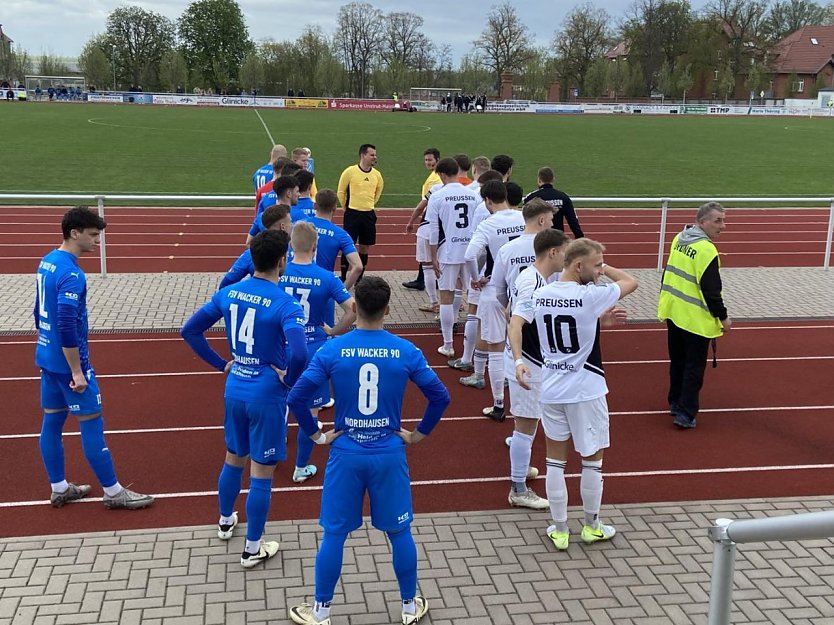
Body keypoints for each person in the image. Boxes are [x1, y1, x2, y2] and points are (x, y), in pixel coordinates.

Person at [287, 276, 450, 625]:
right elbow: (440, 397)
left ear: (355, 307)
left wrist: (317, 436)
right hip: (389, 452)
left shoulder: (332, 350)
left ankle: (321, 612)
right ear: (388, 310)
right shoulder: (406, 350)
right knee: (400, 532)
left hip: (346, 452)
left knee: (334, 534)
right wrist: (419, 435)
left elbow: (297, 397)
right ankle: (408, 607)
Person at [181, 229, 308, 568]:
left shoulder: (229, 293)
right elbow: (299, 352)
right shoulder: (285, 303)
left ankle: (225, 521)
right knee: (262, 472)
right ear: (283, 261)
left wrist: (222, 364)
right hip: (267, 394)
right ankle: (252, 548)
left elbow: (189, 330)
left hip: (235, 386)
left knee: (233, 457)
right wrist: (290, 380)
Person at [513, 239, 637, 550]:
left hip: (552, 388)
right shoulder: (591, 295)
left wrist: (517, 361)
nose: (599, 271)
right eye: (595, 265)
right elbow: (630, 282)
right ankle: (592, 525)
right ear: (578, 265)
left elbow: (515, 320)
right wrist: (605, 270)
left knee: (555, 462)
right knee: (592, 461)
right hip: (586, 390)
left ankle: (559, 528)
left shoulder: (541, 294)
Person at [35, 207, 154, 510]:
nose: (96, 242)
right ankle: (113, 492)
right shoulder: (72, 273)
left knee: (52, 420)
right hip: (68, 365)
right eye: (92, 235)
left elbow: (38, 311)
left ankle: (59, 487)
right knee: (91, 423)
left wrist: (45, 344)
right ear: (74, 233)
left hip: (46, 358)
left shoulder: (47, 261)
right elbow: (65, 323)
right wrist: (77, 370)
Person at [280, 222, 356, 483]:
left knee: (279, 400)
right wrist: (334, 331)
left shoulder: (278, 273)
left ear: (290, 245)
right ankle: (301, 466)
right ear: (315, 246)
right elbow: (352, 309)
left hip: (282, 347)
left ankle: (275, 448)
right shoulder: (326, 277)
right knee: (310, 410)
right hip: (313, 347)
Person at [505, 228, 570, 510]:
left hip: (527, 362)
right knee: (526, 424)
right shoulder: (533, 282)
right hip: (528, 366)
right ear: (553, 252)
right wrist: (520, 361)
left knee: (527, 424)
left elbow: (510, 311)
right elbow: (515, 322)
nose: (567, 258)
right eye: (565, 252)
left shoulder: (530, 276)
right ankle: (518, 489)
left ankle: (522, 469)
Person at [456, 181, 525, 423]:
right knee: (527, 348)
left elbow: (469, 255)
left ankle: (498, 405)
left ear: (487, 201)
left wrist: (476, 279)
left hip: (496, 289)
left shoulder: (488, 224)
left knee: (496, 347)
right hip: (526, 289)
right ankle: (527, 405)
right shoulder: (524, 219)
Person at [658, 202, 730, 429]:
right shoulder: (707, 250)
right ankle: (686, 413)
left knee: (677, 361)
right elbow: (711, 290)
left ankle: (675, 401)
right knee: (693, 367)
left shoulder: (679, 238)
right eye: (718, 221)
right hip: (695, 318)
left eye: (724, 220)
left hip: (674, 311)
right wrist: (723, 317)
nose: (723, 226)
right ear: (702, 222)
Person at [426, 158, 481, 358]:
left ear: (441, 174)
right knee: (475, 297)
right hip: (470, 251)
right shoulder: (473, 195)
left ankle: (448, 344)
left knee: (446, 297)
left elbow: (433, 230)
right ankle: (476, 347)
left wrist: (433, 257)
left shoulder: (438, 196)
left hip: (448, 252)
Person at [337, 144, 384, 282]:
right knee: (348, 245)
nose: (374, 157)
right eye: (372, 155)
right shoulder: (350, 172)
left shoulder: (377, 175)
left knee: (364, 247)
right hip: (352, 214)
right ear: (363, 155)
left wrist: (369, 204)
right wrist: (346, 208)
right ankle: (344, 276)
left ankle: (359, 278)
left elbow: (378, 192)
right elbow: (341, 191)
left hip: (368, 215)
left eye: (375, 155)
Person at [220, 205, 292, 289]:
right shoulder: (300, 252)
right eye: (290, 222)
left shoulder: (253, 252)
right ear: (283, 227)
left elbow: (226, 284)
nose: (292, 225)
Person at [403, 148, 441, 294]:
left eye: (430, 160)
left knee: (426, 250)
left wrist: (413, 220)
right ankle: (422, 279)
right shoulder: (433, 176)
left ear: (437, 160)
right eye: (426, 160)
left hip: (429, 217)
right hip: (429, 215)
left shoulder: (435, 180)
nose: (428, 163)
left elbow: (426, 202)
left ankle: (423, 281)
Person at [523, 167, 584, 239]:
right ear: (553, 179)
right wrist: (580, 237)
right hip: (558, 239)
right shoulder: (563, 197)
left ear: (539, 180)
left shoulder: (531, 197)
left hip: (538, 240)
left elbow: (525, 220)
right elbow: (572, 220)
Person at [247, 175, 300, 244]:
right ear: (289, 194)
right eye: (297, 191)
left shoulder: (261, 216)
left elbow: (248, 242)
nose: (299, 194)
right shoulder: (301, 215)